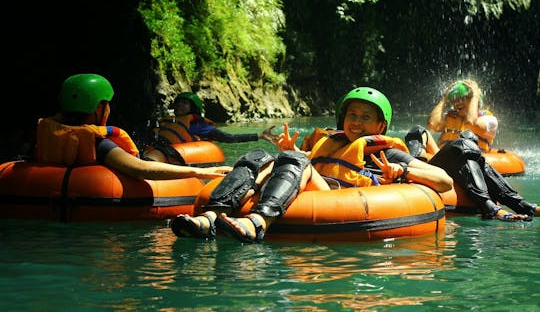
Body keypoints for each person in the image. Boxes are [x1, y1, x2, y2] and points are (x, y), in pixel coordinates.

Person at [171, 87, 453, 243]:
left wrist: (404, 170)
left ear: (380, 125)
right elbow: (308, 163)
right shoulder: (331, 141)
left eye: (366, 117)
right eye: (352, 114)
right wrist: (288, 151)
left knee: (297, 159)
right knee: (259, 155)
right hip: (317, 188)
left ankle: (258, 222)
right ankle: (209, 218)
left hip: (340, 199)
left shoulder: (387, 151)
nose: (357, 121)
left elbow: (444, 181)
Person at [34, 73, 232, 180]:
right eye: (108, 104)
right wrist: (200, 172)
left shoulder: (44, 132)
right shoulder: (98, 144)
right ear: (99, 108)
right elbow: (141, 169)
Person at [404, 80, 538, 222]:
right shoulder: (450, 116)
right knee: (420, 131)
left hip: (464, 162)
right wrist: (444, 97)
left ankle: (513, 207)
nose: (457, 103)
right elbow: (432, 124)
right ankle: (518, 206)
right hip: (436, 166)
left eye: (463, 98)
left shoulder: (489, 119)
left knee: (466, 144)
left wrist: (474, 95)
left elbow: (471, 123)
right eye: (454, 99)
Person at [144, 91, 278, 163]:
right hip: (154, 150)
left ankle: (147, 163)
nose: (179, 105)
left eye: (184, 103)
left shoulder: (199, 125)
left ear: (193, 108)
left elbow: (229, 138)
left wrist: (259, 135)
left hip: (169, 154)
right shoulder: (167, 121)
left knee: (161, 151)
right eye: (178, 103)